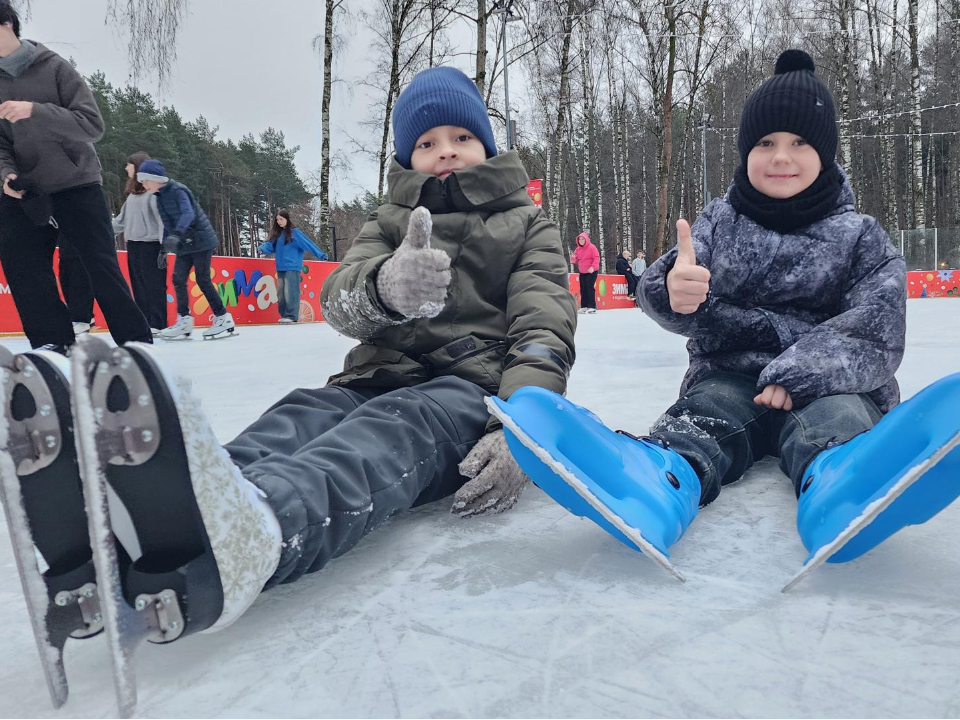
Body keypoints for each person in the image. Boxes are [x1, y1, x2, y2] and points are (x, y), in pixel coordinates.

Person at [6, 65, 576, 645]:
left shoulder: (527, 223)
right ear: (408, 157)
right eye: (426, 143)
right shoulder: (389, 220)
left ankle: (262, 529)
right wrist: (384, 287)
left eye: (461, 138)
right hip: (376, 373)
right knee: (304, 412)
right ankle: (160, 508)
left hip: (466, 389)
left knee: (384, 433)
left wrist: (524, 426)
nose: (445, 153)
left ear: (487, 144)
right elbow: (338, 298)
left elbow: (544, 326)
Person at [535, 50, 907, 543]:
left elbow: (876, 326)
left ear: (825, 152)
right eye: (765, 142)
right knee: (706, 412)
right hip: (731, 372)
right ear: (745, 151)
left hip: (831, 383)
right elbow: (673, 277)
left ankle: (843, 486)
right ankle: (661, 478)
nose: (780, 156)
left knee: (839, 422)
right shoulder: (719, 221)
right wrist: (672, 289)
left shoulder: (860, 236)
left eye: (799, 141)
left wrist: (797, 374)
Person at [0, 1, 151, 353]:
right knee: (22, 266)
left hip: (75, 182)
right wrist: (6, 175)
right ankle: (53, 346)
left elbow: (91, 125)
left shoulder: (53, 67)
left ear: (7, 24)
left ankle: (137, 347)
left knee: (99, 264)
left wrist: (34, 111)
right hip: (27, 191)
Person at [137, 159, 236, 340]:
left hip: (201, 240)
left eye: (144, 180)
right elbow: (167, 223)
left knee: (202, 279)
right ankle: (184, 320)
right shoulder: (159, 197)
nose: (143, 184)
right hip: (184, 244)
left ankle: (223, 317)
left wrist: (177, 234)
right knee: (177, 279)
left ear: (155, 178)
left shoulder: (178, 191)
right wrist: (164, 248)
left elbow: (188, 214)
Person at [113, 152, 168, 335]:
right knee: (138, 285)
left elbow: (162, 221)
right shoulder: (132, 197)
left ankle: (158, 323)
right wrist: (101, 235)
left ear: (138, 167)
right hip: (134, 245)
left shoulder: (153, 195)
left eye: (129, 165)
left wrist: (164, 247)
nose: (126, 168)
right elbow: (120, 221)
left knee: (154, 286)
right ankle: (144, 321)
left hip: (152, 246)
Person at [258, 209, 328, 323]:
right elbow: (270, 245)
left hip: (292, 266)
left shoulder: (295, 233)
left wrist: (321, 255)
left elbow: (308, 244)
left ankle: (291, 316)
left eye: (281, 219)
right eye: (277, 220)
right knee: (281, 294)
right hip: (280, 267)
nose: (279, 222)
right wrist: (262, 249)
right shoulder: (278, 235)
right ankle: (285, 314)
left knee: (290, 291)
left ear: (287, 219)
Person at [572, 231, 600, 313]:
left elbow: (596, 258)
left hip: (591, 271)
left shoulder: (592, 247)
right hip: (582, 271)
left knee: (590, 287)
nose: (581, 241)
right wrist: (573, 258)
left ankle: (592, 306)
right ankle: (583, 306)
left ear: (586, 240)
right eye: (579, 239)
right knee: (583, 288)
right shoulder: (577, 249)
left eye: (582, 239)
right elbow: (575, 260)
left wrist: (593, 267)